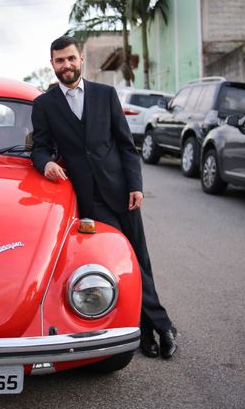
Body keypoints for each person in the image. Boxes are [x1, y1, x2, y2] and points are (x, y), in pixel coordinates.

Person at [30, 36, 177, 359]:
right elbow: (39, 147)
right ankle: (161, 327)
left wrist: (135, 185)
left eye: (70, 59)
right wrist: (47, 163)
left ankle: (147, 328)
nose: (65, 65)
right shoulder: (44, 105)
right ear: (52, 64)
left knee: (139, 261)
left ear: (81, 59)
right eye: (59, 61)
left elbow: (126, 144)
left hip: (121, 190)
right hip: (86, 199)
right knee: (115, 264)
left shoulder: (106, 95)